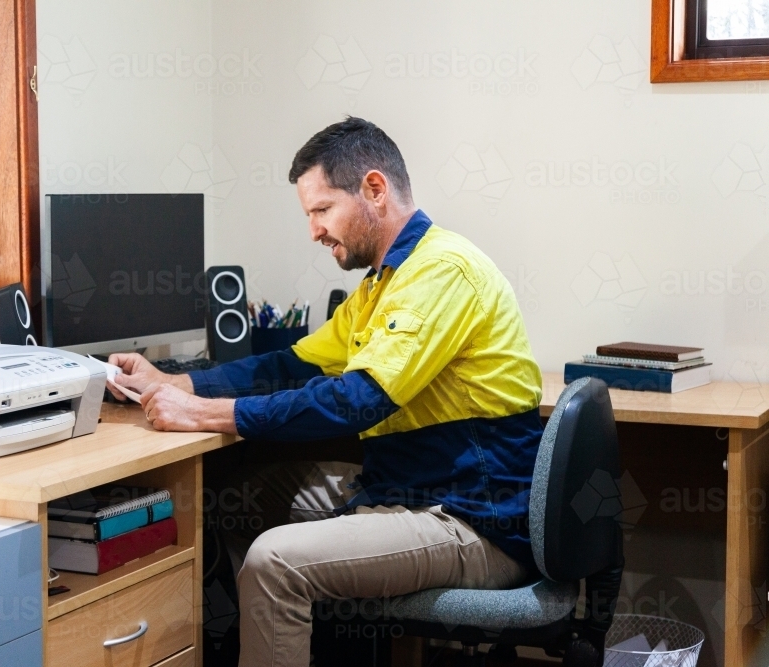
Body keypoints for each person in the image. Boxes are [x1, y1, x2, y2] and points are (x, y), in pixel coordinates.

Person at [108, 117, 543, 667]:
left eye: (321, 210)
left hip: (470, 518)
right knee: (231, 500)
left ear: (374, 190)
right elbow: (291, 366)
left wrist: (205, 413)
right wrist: (173, 381)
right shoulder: (383, 282)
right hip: (410, 489)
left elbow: (355, 401)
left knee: (275, 562)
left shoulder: (441, 273)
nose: (314, 230)